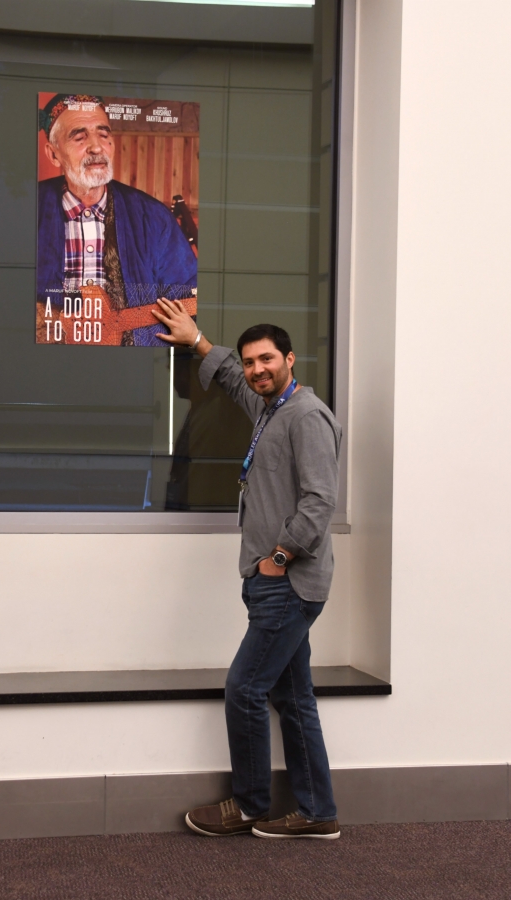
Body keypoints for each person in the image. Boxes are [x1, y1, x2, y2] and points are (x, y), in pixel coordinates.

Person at [152, 300, 343, 840]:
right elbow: (233, 380)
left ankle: (251, 803)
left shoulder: (306, 416)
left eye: (266, 360)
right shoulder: (268, 407)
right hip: (269, 581)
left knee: (244, 688)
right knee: (293, 697)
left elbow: (320, 501)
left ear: (290, 359)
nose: (257, 369)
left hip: (289, 582)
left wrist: (280, 557)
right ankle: (316, 812)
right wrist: (197, 341)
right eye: (251, 361)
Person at [36, 94, 197, 346]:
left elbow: (189, 297)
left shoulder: (153, 217)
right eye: (79, 137)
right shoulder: (25, 210)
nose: (97, 147)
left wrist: (121, 326)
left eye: (104, 134)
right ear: (54, 154)